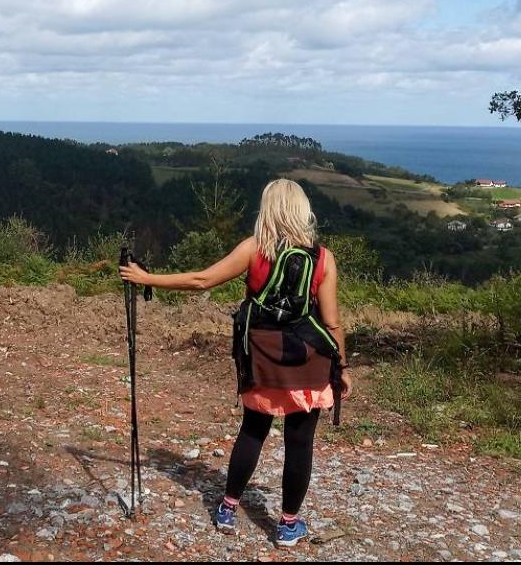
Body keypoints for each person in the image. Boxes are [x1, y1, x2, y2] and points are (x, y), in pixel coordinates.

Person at [118, 178, 350, 547]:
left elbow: (202, 280)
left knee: (253, 430)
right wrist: (341, 368)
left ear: (268, 209)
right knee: (300, 442)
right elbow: (332, 321)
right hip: (310, 362)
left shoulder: (254, 249)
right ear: (304, 210)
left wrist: (146, 278)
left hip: (263, 358)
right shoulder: (324, 259)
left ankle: (227, 508)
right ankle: (288, 526)